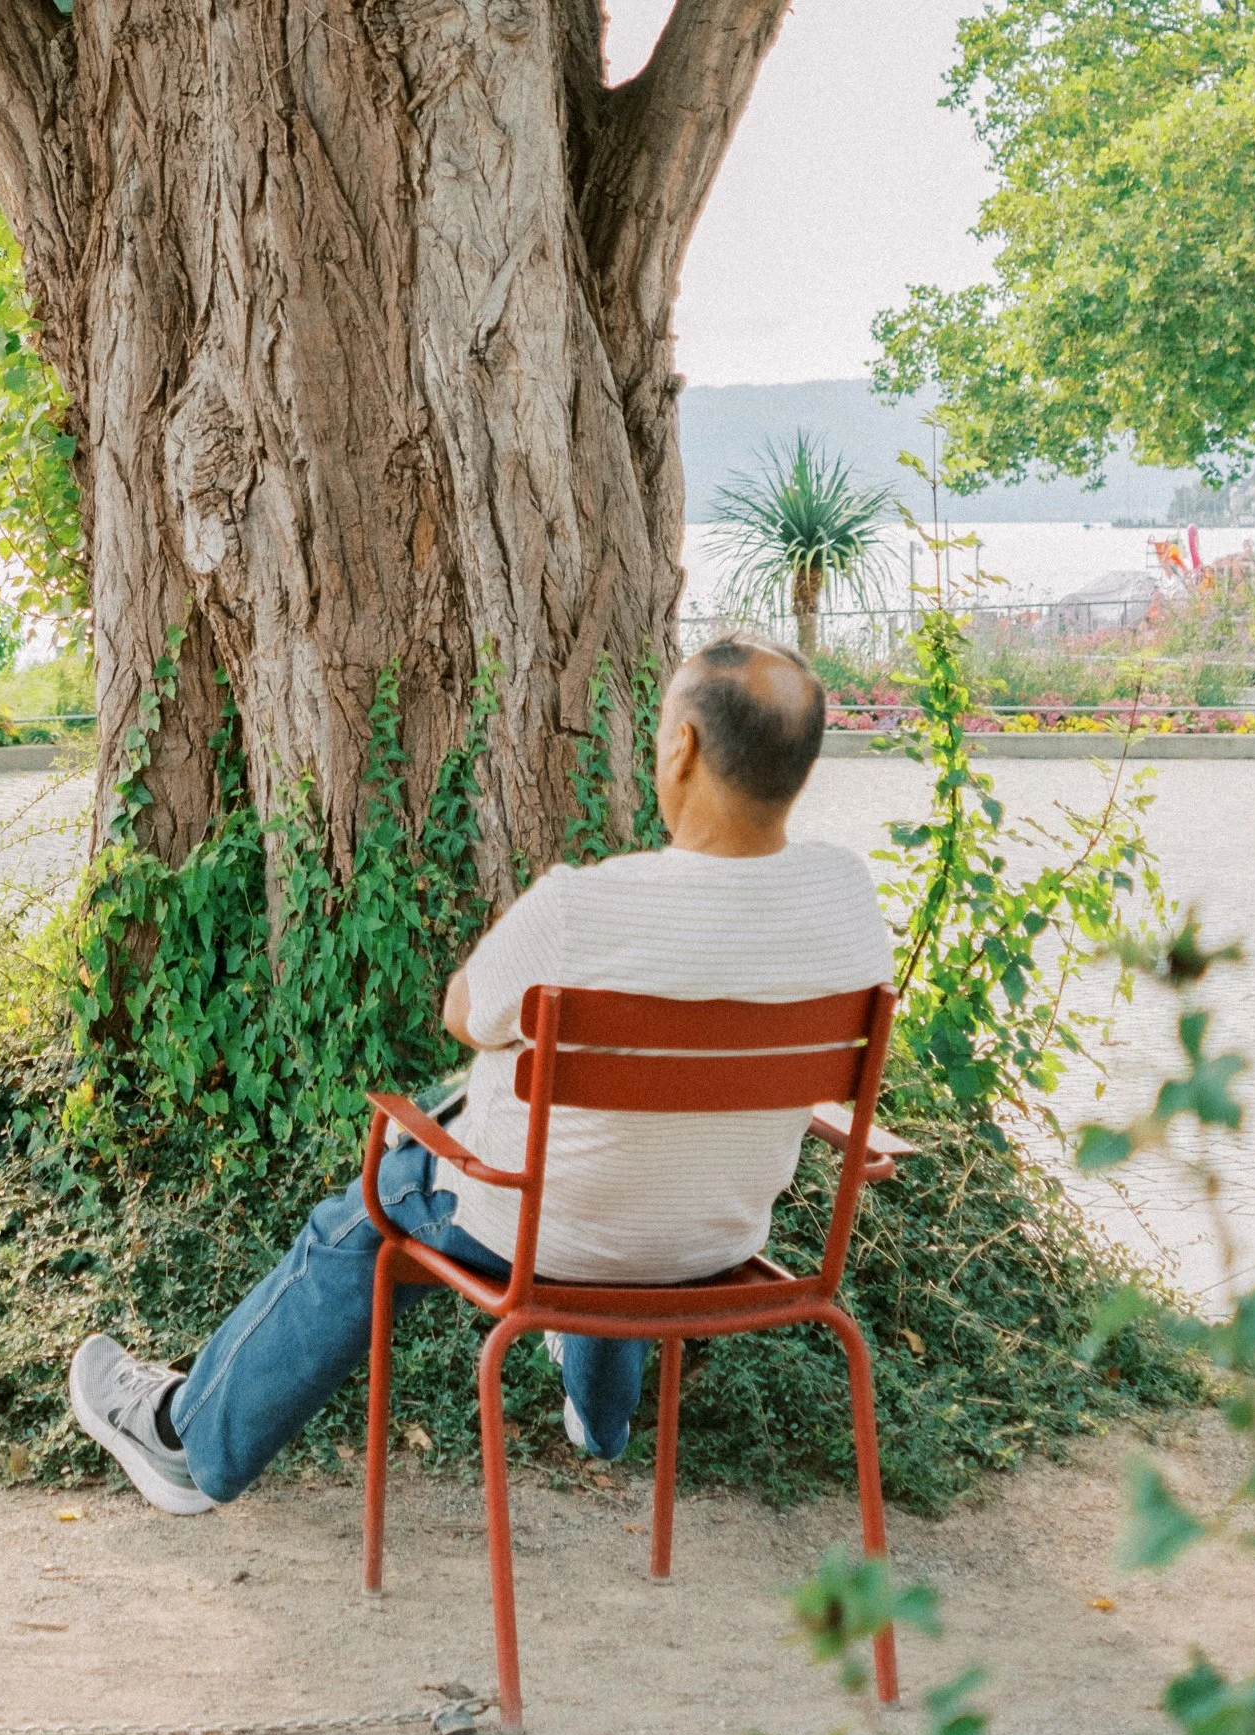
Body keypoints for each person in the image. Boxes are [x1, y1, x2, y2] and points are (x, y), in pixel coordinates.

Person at [67, 637, 892, 1515]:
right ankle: (600, 1413)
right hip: (714, 1242)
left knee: (364, 1214)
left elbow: (463, 1012)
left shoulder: (582, 907)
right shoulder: (847, 899)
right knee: (609, 1144)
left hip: (537, 1235)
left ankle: (185, 1441)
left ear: (681, 748)